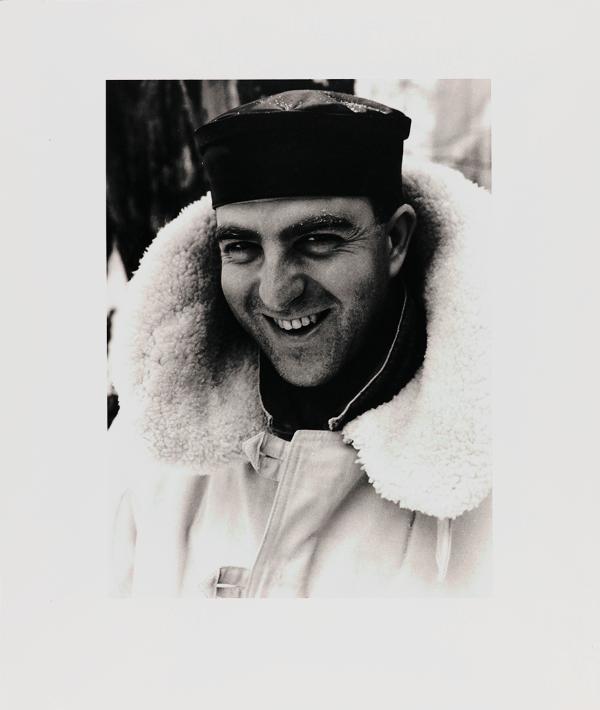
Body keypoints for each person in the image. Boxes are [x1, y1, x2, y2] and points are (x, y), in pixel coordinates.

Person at [109, 89, 491, 597]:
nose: (276, 293)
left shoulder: (507, 470)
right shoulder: (149, 443)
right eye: (242, 247)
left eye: (318, 241)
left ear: (394, 241)